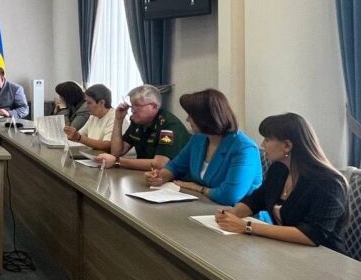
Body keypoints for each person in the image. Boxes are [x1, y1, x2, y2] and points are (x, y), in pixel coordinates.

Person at [215, 113, 348, 253]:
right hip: (287, 250)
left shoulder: (329, 183)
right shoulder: (278, 169)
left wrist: (246, 226)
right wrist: (232, 214)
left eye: (267, 139)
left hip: (324, 257)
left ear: (287, 146)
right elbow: (257, 199)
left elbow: (312, 235)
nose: (262, 145)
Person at [144, 89, 262, 205]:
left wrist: (198, 188)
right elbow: (175, 166)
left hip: (238, 213)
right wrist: (161, 176)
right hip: (204, 205)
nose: (187, 119)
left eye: (191, 115)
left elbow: (229, 196)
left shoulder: (244, 149)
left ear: (206, 118)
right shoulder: (199, 138)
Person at [95, 84, 190, 171]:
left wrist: (117, 161)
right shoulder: (138, 122)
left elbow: (159, 164)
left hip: (176, 179)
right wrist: (118, 120)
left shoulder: (168, 125)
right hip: (146, 175)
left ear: (154, 107)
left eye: (137, 106)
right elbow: (117, 152)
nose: (132, 110)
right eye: (131, 106)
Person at [63, 84, 122, 152]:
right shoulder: (93, 116)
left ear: (102, 103)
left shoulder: (115, 117)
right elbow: (79, 134)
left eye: (89, 103)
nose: (86, 106)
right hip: (95, 155)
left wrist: (79, 137)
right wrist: (72, 135)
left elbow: (107, 145)